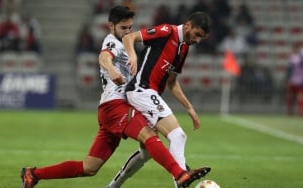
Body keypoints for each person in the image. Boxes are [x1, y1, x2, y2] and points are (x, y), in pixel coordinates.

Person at [20, 6, 210, 188]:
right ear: (111, 26)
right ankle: (180, 174)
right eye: (123, 28)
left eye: (130, 27)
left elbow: (168, 78)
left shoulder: (139, 43)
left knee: (89, 167)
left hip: (114, 109)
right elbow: (104, 57)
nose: (127, 32)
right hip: (115, 105)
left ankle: (33, 174)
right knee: (150, 136)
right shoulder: (112, 41)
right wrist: (111, 69)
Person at [107, 11, 212, 188]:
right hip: (141, 91)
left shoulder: (184, 48)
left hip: (146, 94)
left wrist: (189, 108)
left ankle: (112, 187)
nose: (197, 41)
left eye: (201, 38)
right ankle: (181, 179)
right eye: (197, 35)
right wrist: (133, 55)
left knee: (147, 151)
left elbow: (172, 82)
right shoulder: (166, 31)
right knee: (178, 136)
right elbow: (129, 38)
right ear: (187, 26)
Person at [286, 44, 303, 116]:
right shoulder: (302, 58)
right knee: (300, 96)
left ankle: (290, 112)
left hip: (293, 80)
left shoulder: (292, 58)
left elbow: (290, 70)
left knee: (291, 96)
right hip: (300, 80)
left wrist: (288, 79)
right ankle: (301, 112)